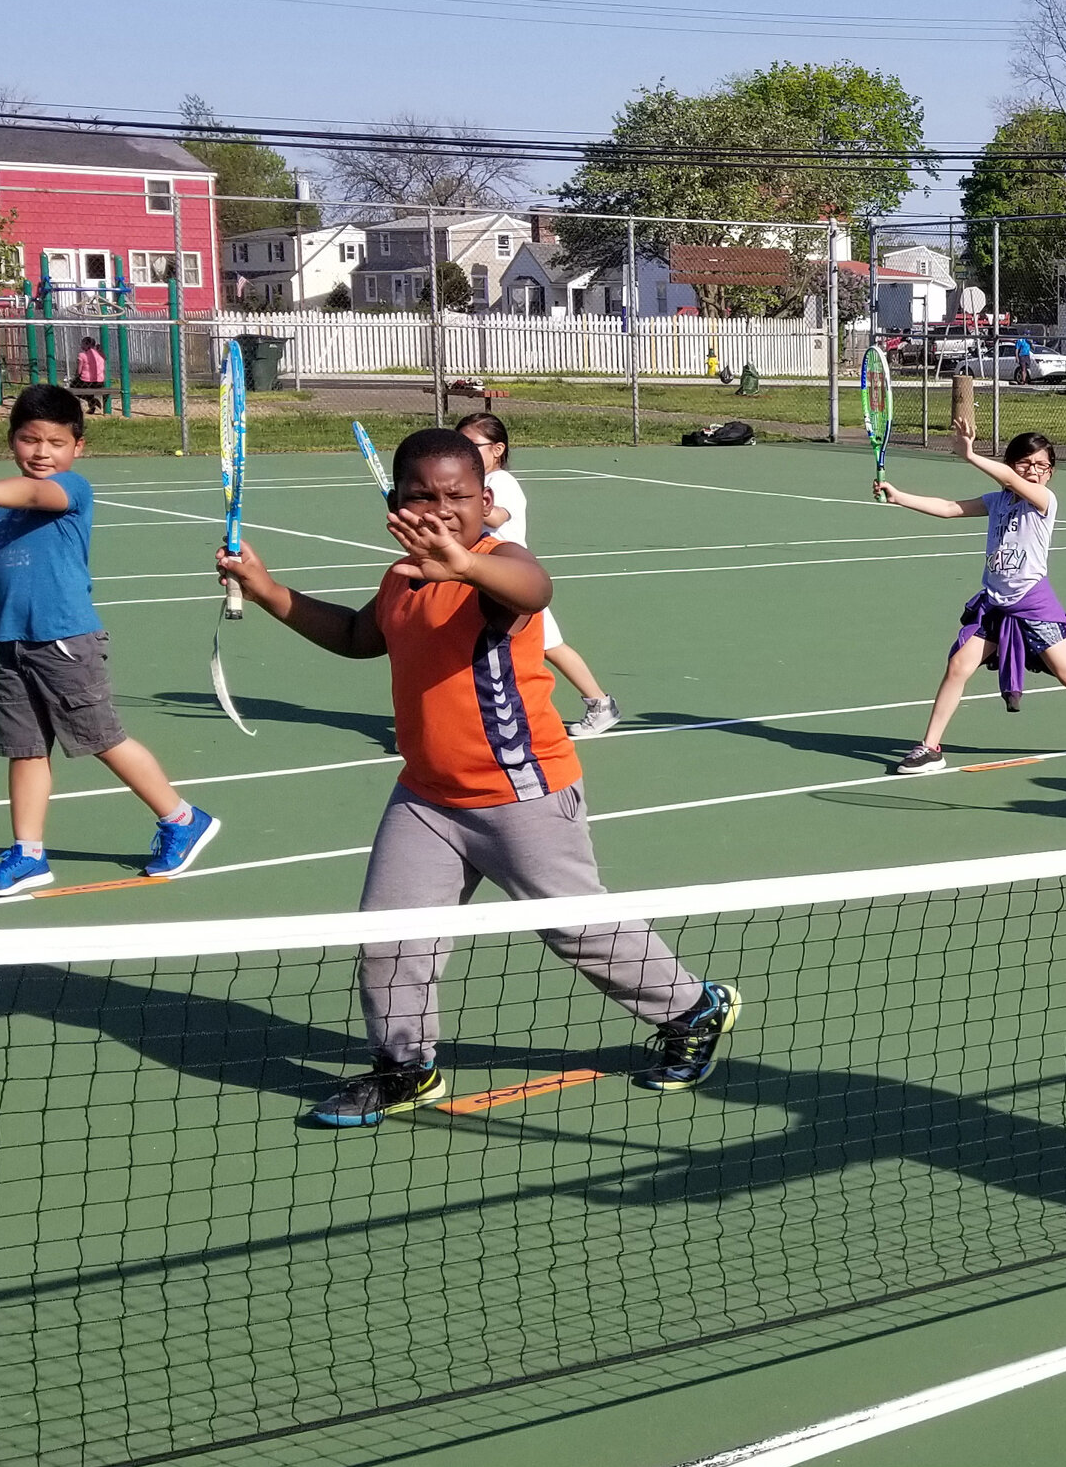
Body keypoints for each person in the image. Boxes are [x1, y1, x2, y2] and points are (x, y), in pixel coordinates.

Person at [213, 428, 737, 1127]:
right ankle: (404, 1067)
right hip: (427, 797)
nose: (439, 508)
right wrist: (268, 589)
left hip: (520, 793)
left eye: (456, 495)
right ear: (395, 502)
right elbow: (355, 635)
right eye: (421, 495)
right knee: (391, 935)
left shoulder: (496, 568)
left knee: (578, 929)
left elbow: (534, 584)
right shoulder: (401, 579)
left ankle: (692, 1007)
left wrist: (464, 562)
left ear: (485, 500)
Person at [0, 384, 218, 897]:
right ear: (12, 440)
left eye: (55, 442)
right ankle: (28, 854)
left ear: (78, 447)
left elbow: (36, 493)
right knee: (25, 750)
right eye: (30, 440)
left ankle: (182, 818)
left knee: (102, 739)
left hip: (64, 643)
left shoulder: (70, 490)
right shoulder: (7, 510)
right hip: (10, 642)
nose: (41, 452)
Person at [874, 422, 1066, 775]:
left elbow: (1010, 480)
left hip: (1032, 603)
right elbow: (949, 507)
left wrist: (969, 454)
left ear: (1050, 473)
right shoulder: (997, 502)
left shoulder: (1044, 502)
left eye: (1042, 466)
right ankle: (930, 747)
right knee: (958, 666)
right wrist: (899, 496)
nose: (1034, 470)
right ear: (1011, 462)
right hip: (995, 603)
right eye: (1025, 463)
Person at [456, 413, 620, 738]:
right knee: (535, 647)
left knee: (548, 646)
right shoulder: (475, 484)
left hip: (514, 581)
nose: (465, 452)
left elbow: (497, 514)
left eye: (472, 445)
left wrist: (464, 505)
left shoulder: (501, 483)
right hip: (486, 580)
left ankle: (600, 704)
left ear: (497, 449)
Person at [72, 335, 108, 415]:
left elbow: (79, 371)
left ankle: (92, 401)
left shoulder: (82, 355)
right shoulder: (100, 354)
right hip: (99, 382)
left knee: (73, 387)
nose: (81, 346)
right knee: (88, 390)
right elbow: (104, 358)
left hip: (87, 381)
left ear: (87, 344)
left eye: (83, 344)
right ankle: (92, 406)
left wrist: (76, 376)